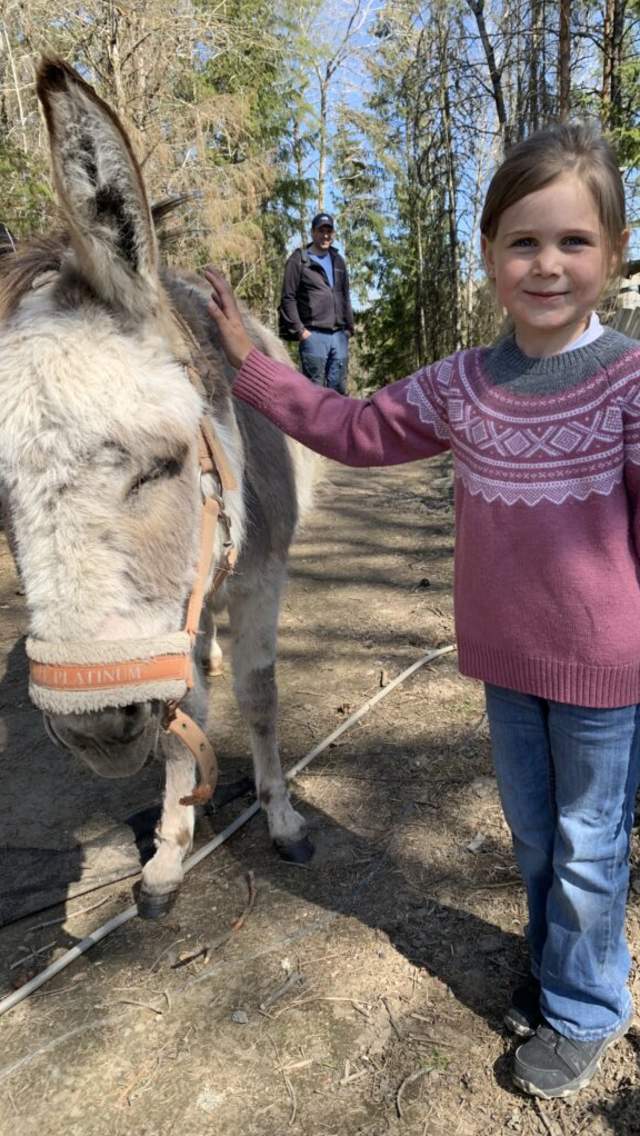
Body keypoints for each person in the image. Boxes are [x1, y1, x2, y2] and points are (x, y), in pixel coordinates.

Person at [205, 122, 640, 1101]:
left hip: (608, 677)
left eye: (572, 241)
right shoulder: (465, 384)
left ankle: (582, 1008)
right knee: (538, 834)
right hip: (506, 663)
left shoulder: (628, 382)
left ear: (610, 255)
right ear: (488, 256)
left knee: (589, 846)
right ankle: (560, 962)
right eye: (522, 241)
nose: (546, 263)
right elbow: (351, 427)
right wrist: (250, 360)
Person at [278, 212, 354, 393]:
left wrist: (349, 328)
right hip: (313, 335)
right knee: (314, 393)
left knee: (339, 392)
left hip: (339, 336)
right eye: (321, 231)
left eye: (329, 231)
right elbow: (288, 297)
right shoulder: (299, 260)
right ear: (313, 232)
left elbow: (345, 294)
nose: (325, 235)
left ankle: (337, 423)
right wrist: (300, 331)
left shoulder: (338, 260)